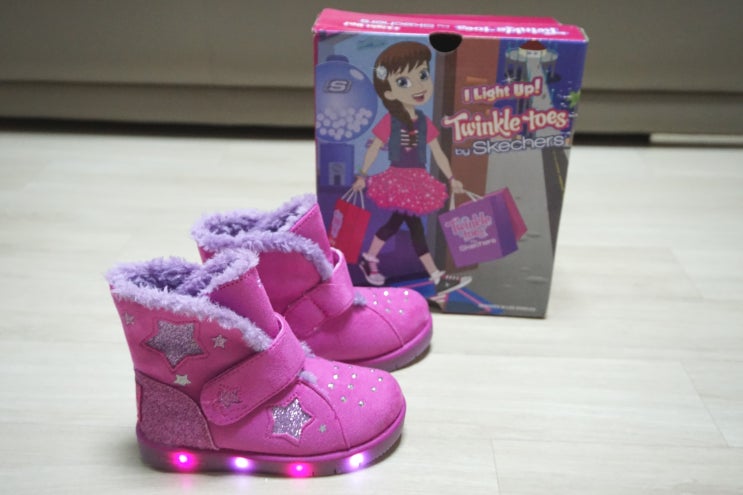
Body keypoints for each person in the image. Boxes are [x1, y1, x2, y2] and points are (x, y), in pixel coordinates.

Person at [352, 41, 472, 295]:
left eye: (423, 75)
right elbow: (374, 147)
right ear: (389, 93)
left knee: (398, 224)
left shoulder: (424, 122)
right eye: (404, 82)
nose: (418, 86)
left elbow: (437, 151)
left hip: (417, 180)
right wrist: (362, 174)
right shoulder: (391, 120)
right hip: (398, 179)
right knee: (413, 227)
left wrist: (452, 177)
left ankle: (370, 258)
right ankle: (436, 276)